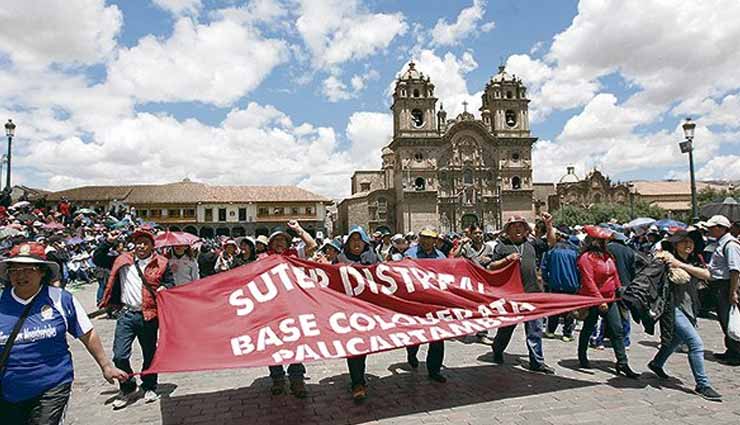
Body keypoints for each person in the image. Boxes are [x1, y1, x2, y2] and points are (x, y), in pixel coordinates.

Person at [0, 242, 127, 424]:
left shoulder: (60, 299)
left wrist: (106, 366)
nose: (21, 275)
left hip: (52, 385)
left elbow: (87, 333)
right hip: (7, 390)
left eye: (29, 269)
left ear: (43, 271)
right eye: (15, 269)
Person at [98, 229, 175, 409]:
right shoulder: (122, 260)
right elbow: (99, 258)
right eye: (138, 242)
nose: (140, 246)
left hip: (149, 314)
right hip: (126, 314)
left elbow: (170, 283)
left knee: (149, 353)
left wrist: (165, 287)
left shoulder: (162, 263)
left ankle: (149, 385)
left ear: (151, 246)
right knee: (119, 355)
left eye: (145, 243)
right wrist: (108, 242)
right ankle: (127, 386)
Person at [648, 229, 722, 401]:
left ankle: (656, 363)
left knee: (676, 340)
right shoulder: (664, 261)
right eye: (684, 241)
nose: (688, 244)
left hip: (690, 308)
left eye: (691, 242)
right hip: (672, 309)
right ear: (675, 245)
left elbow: (708, 275)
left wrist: (680, 265)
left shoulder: (694, 261)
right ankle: (702, 384)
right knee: (695, 344)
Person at [488, 216, 555, 374]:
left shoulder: (532, 244)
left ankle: (537, 362)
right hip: (511, 296)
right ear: (508, 230)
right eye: (514, 226)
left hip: (532, 294)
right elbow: (491, 266)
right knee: (506, 329)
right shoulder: (502, 246)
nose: (518, 229)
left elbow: (551, 242)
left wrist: (549, 224)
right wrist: (506, 259)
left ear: (526, 230)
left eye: (521, 226)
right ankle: (497, 349)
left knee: (535, 330)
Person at [576, 225, 639, 378]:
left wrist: (620, 291)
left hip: (611, 298)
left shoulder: (608, 256)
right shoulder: (586, 258)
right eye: (603, 240)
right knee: (589, 327)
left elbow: (614, 275)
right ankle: (582, 356)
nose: (606, 243)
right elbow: (588, 281)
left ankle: (622, 363)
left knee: (617, 329)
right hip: (592, 299)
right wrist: (599, 300)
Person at [262, 221, 316, 398]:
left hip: (294, 307)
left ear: (287, 243)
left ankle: (296, 379)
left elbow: (312, 245)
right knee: (273, 345)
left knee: (296, 343)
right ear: (270, 244)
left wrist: (298, 229)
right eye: (276, 240)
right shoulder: (262, 259)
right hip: (271, 309)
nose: (279, 243)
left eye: (283, 240)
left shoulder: (294, 255)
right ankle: (277, 379)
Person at [337, 225, 380, 401]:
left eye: (359, 239)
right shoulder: (340, 258)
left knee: (365, 346)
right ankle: (357, 382)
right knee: (355, 347)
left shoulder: (374, 258)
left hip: (369, 310)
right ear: (347, 243)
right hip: (349, 311)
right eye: (353, 240)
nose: (356, 243)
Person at [403, 226, 447, 383]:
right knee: (416, 334)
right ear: (419, 238)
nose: (427, 241)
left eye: (430, 238)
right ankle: (411, 352)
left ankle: (434, 370)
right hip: (415, 301)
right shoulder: (410, 255)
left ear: (435, 240)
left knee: (438, 337)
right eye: (424, 237)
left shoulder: (441, 257)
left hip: (434, 302)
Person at [705, 215, 740, 366]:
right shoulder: (721, 243)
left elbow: (735, 271)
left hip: (726, 286)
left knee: (730, 320)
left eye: (712, 228)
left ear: (720, 228)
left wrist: (733, 292)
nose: (709, 230)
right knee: (724, 319)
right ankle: (731, 350)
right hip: (720, 286)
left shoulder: (731, 245)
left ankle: (737, 353)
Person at [541, 229, 580, 342]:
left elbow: (544, 268)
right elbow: (579, 269)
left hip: (555, 284)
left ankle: (551, 331)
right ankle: (567, 334)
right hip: (572, 284)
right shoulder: (575, 252)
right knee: (569, 310)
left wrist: (546, 280)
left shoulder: (551, 251)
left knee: (555, 309)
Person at [607, 231, 637, 350]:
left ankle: (600, 339)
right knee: (625, 314)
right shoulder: (629, 251)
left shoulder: (608, 249)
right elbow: (633, 269)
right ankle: (625, 340)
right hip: (625, 285)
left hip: (610, 285)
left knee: (608, 313)